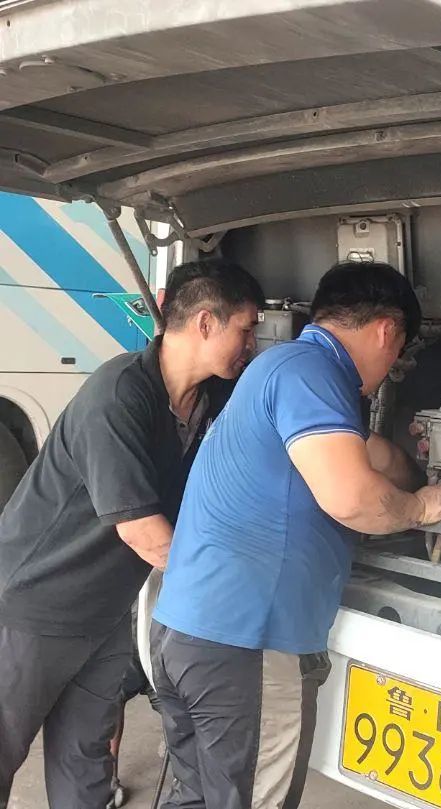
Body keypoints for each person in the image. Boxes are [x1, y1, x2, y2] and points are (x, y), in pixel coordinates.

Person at [150, 260, 441, 809]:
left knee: (197, 799)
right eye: (398, 352)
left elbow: (370, 455)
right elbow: (352, 498)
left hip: (189, 631)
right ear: (386, 331)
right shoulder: (313, 374)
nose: (391, 367)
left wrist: (424, 474)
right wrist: (422, 506)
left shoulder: (284, 367)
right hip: (245, 645)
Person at [0, 260, 264, 809]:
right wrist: (235, 588)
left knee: (85, 764)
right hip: (32, 608)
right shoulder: (118, 394)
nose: (252, 344)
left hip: (103, 614)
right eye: (246, 328)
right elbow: (144, 533)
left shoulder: (211, 398)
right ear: (206, 323)